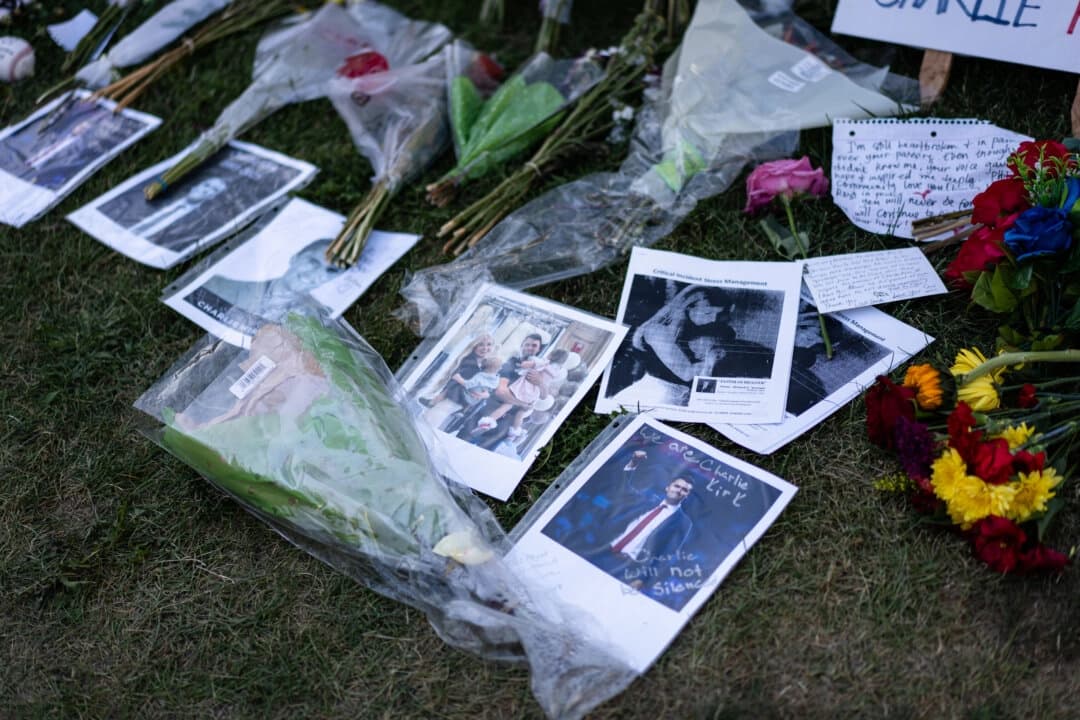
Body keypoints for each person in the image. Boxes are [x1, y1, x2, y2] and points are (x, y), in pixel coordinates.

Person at [605, 284, 736, 407]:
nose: (713, 319)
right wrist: (711, 358)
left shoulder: (696, 329)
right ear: (688, 306)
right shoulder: (656, 330)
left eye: (717, 314)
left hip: (682, 397)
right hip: (656, 396)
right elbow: (687, 373)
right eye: (708, 313)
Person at [189, 238, 343, 325]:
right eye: (313, 262)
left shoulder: (320, 318)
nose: (316, 273)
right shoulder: (220, 286)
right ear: (295, 257)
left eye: (331, 271)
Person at [456, 333, 546, 451]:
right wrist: (522, 404)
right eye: (527, 344)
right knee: (462, 441)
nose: (530, 347)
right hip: (489, 411)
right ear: (522, 345)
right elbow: (500, 392)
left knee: (484, 452)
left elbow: (544, 396)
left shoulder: (539, 370)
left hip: (507, 423)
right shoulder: (511, 364)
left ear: (539, 349)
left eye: (534, 345)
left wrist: (540, 383)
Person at [476, 348, 568, 440]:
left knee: (506, 405)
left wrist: (525, 364)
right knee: (521, 413)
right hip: (533, 395)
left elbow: (525, 365)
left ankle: (489, 421)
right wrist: (524, 403)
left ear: (551, 355)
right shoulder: (554, 372)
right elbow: (543, 394)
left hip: (523, 389)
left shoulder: (543, 363)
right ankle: (514, 432)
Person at [128, 177, 229, 243]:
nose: (206, 190)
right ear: (198, 185)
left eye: (214, 190)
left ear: (213, 196)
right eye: (207, 185)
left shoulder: (199, 223)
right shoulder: (163, 197)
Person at [420, 333, 498, 408]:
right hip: (456, 398)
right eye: (481, 344)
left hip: (472, 401)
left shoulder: (492, 364)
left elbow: (492, 384)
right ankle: (435, 400)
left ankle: (435, 401)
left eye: (489, 344)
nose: (485, 348)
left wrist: (487, 394)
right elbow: (454, 380)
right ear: (475, 346)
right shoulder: (467, 361)